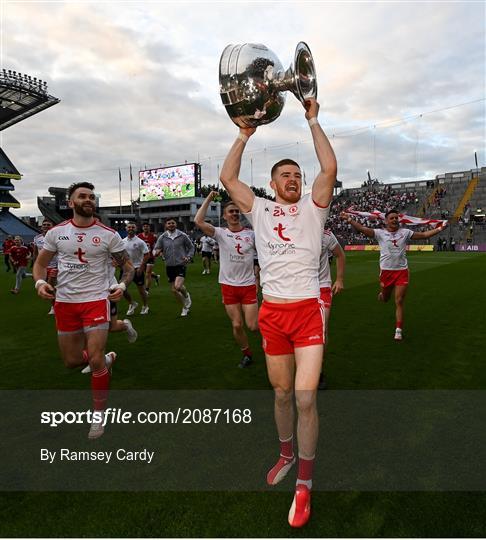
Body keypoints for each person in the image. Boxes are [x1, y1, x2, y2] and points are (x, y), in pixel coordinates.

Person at [220, 98, 337, 528]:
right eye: (285, 175)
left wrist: (312, 119)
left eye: (297, 175)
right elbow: (227, 177)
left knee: (305, 398)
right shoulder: (259, 209)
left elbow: (329, 168)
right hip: (272, 314)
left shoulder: (314, 206)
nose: (293, 179)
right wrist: (244, 134)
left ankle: (304, 485)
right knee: (282, 394)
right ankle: (285, 452)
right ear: (272, 182)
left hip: (307, 311)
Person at [33, 181, 135, 439]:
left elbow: (129, 267)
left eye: (91, 196)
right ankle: (109, 359)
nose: (88, 199)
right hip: (65, 303)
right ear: (71, 203)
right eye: (82, 196)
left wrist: (122, 285)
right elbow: (41, 264)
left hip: (96, 300)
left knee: (95, 357)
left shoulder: (108, 234)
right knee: (72, 361)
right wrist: (40, 282)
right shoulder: (56, 233)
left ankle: (98, 417)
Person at [341, 209, 446, 340]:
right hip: (386, 272)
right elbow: (362, 228)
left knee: (399, 301)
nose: (395, 220)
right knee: (385, 299)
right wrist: (349, 219)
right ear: (386, 221)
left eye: (396, 218)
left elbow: (424, 235)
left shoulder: (405, 232)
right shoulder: (380, 233)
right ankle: (382, 295)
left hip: (402, 272)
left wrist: (439, 229)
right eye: (392, 218)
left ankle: (398, 330)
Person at [195, 191, 258, 368]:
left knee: (253, 326)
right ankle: (247, 354)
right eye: (231, 211)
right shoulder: (220, 233)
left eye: (237, 211)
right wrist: (209, 198)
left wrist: (259, 277)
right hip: (228, 286)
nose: (235, 214)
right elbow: (198, 221)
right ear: (224, 215)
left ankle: (275, 340)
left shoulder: (251, 234)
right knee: (237, 325)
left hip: (248, 285)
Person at [317, 229, 345, 390]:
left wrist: (340, 279)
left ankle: (319, 371)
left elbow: (340, 254)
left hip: (322, 288)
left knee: (321, 330)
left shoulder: (326, 234)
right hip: (299, 289)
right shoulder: (293, 231)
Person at [153, 217, 194, 317]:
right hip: (169, 266)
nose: (171, 225)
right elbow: (155, 249)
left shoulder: (182, 235)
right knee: (174, 290)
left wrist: (188, 257)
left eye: (173, 223)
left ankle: (186, 296)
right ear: (166, 225)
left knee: (177, 286)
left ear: (176, 224)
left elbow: (191, 247)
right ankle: (184, 307)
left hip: (181, 264)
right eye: (169, 223)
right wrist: (156, 252)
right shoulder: (162, 237)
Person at [122, 222, 150, 316]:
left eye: (133, 227)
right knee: (122, 289)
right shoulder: (122, 241)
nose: (130, 228)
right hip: (126, 269)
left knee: (141, 290)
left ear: (136, 229)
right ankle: (132, 303)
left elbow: (147, 255)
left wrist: (142, 267)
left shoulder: (140, 242)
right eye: (129, 227)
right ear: (126, 229)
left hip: (137, 268)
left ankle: (145, 306)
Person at [33, 219, 58, 314]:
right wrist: (35, 265)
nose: (46, 226)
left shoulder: (56, 237)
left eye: (48, 224)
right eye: (44, 224)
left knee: (53, 287)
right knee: (48, 287)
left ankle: (55, 306)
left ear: (52, 226)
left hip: (55, 266)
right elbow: (35, 253)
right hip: (43, 267)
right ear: (41, 226)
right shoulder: (37, 238)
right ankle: (54, 305)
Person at [137, 222, 160, 293]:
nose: (146, 227)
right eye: (144, 226)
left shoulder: (153, 236)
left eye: (147, 226)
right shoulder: (139, 236)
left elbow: (158, 245)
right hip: (142, 258)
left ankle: (146, 290)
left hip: (150, 257)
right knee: (145, 272)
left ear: (149, 228)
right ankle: (156, 277)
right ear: (142, 228)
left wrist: (157, 252)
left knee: (147, 274)